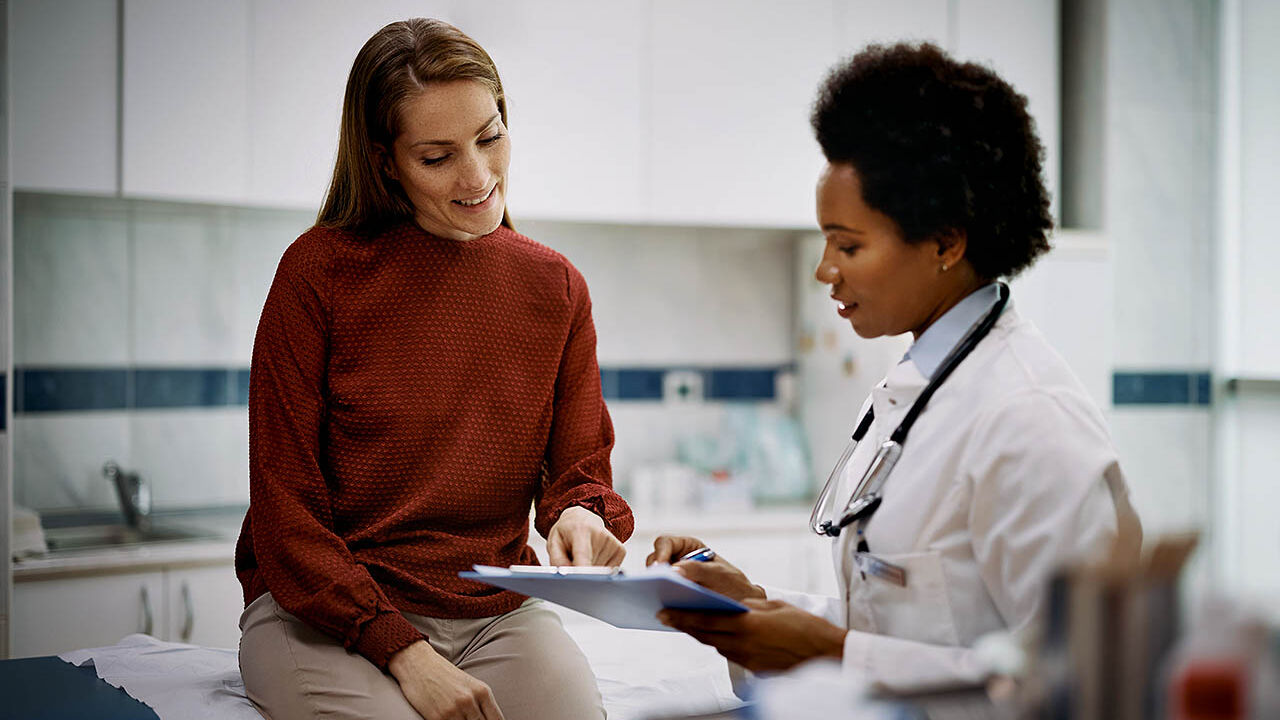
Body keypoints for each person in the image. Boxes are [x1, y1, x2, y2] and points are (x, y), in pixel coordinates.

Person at [649, 42, 1142, 691]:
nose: (825, 270)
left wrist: (831, 654)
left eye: (848, 244)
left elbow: (1083, 679)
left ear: (944, 241)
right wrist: (753, 606)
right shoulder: (913, 392)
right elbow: (905, 630)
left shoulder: (1030, 417)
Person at [234, 18, 632, 720]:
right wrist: (404, 652)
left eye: (490, 136)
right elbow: (284, 513)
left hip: (492, 610)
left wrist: (576, 515)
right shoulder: (317, 274)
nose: (478, 177)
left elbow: (578, 471)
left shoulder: (557, 288)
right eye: (437, 156)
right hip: (323, 613)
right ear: (387, 161)